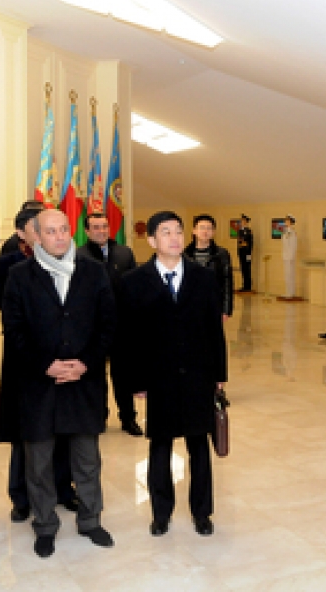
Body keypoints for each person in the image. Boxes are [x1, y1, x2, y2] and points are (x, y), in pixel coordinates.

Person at [2, 209, 117, 559]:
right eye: (51, 231)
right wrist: (46, 366)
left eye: (65, 229)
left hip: (84, 382)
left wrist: (85, 363)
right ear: (36, 235)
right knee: (38, 462)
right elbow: (15, 330)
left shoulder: (93, 272)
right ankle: (45, 525)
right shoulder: (19, 276)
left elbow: (108, 325)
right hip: (39, 385)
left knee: (87, 459)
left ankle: (91, 520)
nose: (60, 237)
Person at [120, 211, 227, 537]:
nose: (175, 238)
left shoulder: (204, 277)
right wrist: (136, 381)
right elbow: (130, 337)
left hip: (197, 375)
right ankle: (161, 513)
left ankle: (202, 513)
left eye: (178, 231)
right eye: (166, 232)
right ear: (152, 240)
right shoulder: (134, 282)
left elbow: (214, 331)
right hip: (159, 378)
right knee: (160, 448)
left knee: (199, 448)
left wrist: (219, 374)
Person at [0, 205, 79, 523]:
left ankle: (63, 488)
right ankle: (21, 496)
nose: (52, 235)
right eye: (41, 228)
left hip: (64, 362)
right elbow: (15, 318)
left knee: (62, 428)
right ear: (25, 234)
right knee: (26, 434)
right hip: (26, 360)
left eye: (59, 229)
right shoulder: (10, 266)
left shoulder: (71, 264)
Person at [76, 212, 142, 435]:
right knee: (95, 375)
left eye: (104, 226)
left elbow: (134, 289)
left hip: (122, 326)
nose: (101, 231)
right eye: (95, 227)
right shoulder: (78, 255)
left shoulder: (124, 253)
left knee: (123, 375)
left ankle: (128, 418)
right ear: (86, 231)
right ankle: (98, 418)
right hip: (92, 328)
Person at [184, 214, 234, 320]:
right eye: (202, 227)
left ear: (213, 232)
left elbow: (227, 282)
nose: (205, 231)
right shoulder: (184, 254)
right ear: (194, 231)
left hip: (213, 304)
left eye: (209, 228)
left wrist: (226, 310)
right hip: (190, 305)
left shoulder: (221, 254)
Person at [236, 214, 254, 292]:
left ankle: (248, 286)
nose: (242, 222)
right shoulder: (240, 231)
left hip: (247, 253)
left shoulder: (248, 231)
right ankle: (244, 285)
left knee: (247, 269)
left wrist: (244, 244)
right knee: (243, 269)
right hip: (241, 252)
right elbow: (239, 242)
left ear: (246, 222)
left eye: (243, 221)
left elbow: (249, 243)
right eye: (241, 221)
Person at [281, 215, 297, 298]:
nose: (286, 222)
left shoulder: (292, 232)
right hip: (285, 256)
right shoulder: (285, 231)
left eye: (287, 220)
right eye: (286, 220)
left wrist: (291, 256)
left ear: (291, 222)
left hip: (290, 257)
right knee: (286, 275)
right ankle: (287, 291)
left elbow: (293, 246)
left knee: (290, 275)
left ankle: (291, 292)